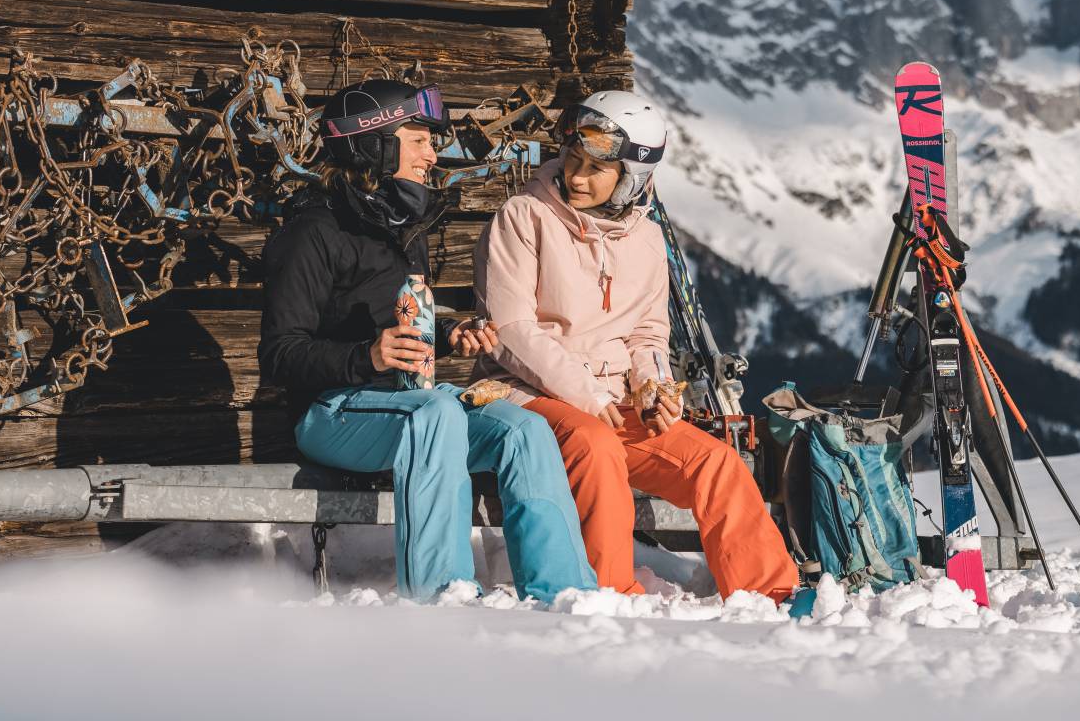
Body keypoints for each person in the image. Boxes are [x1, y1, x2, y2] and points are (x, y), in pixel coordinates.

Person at [259, 77, 596, 601]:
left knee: (523, 429)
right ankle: (444, 594)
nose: (433, 154)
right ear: (374, 143)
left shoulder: (401, 229)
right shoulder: (313, 233)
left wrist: (448, 331)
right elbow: (279, 355)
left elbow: (402, 318)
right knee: (434, 414)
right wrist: (364, 356)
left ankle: (564, 594)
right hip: (330, 413)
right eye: (419, 139)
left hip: (406, 404)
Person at [472, 89, 798, 599]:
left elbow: (648, 335)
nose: (576, 176)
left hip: (613, 403)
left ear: (632, 177)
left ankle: (769, 595)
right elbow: (513, 330)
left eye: (593, 169)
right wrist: (591, 396)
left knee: (715, 462)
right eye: (572, 160)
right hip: (529, 396)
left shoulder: (645, 241)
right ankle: (611, 594)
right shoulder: (524, 217)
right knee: (595, 447)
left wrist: (654, 389)